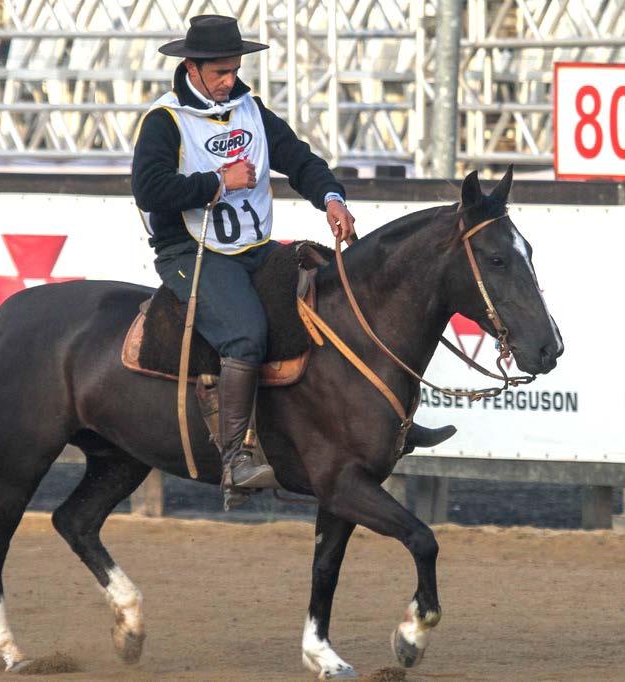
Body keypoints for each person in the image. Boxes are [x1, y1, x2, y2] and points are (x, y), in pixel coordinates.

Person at [132, 15, 451, 505]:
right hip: (188, 252)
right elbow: (148, 189)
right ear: (191, 68)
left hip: (253, 250)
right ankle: (236, 459)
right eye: (220, 72)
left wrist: (331, 198)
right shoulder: (165, 121)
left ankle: (385, 424)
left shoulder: (250, 110)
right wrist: (218, 183)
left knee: (328, 292)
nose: (229, 80)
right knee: (244, 334)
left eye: (234, 70)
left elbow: (299, 159)